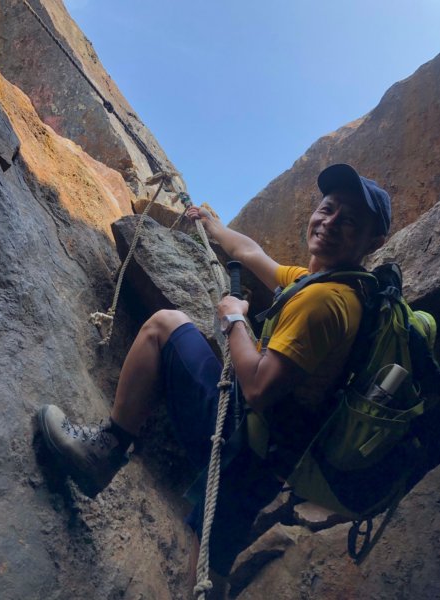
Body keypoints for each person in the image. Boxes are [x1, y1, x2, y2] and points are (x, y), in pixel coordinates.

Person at [38, 163, 391, 586]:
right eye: (327, 208)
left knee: (164, 325)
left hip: (242, 440)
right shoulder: (338, 287)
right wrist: (211, 223)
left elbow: (258, 387)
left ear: (375, 241)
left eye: (348, 220)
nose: (329, 222)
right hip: (271, 460)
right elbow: (253, 255)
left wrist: (234, 320)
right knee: (207, 571)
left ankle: (105, 451)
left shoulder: (324, 303)